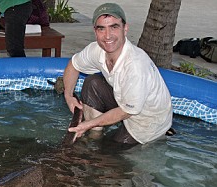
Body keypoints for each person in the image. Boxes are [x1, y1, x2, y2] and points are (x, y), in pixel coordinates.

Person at [63, 3, 173, 147]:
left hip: (147, 121)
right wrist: (69, 96)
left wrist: (88, 124)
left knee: (108, 154)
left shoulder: (135, 65)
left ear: (125, 28)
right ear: (95, 31)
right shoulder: (97, 50)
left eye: (114, 27)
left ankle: (158, 134)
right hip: (125, 101)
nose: (107, 36)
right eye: (101, 28)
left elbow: (126, 112)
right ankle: (95, 136)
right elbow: (73, 65)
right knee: (92, 83)